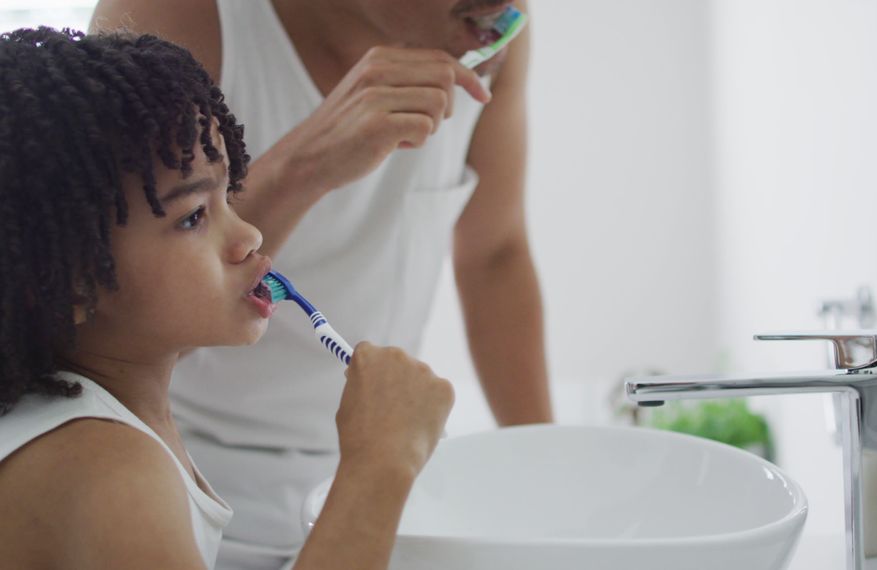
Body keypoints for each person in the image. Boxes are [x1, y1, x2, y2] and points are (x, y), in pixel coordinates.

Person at [89, 1, 553, 566]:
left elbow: (494, 256)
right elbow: (109, 306)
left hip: (387, 470)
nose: (509, 5)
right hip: (199, 483)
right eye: (197, 215)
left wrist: (544, 474)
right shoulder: (167, 19)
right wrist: (304, 165)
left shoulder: (490, 32)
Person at [0, 27, 452, 570]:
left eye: (228, 194)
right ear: (70, 280)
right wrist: (380, 463)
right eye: (193, 216)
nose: (249, 237)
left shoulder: (99, 428)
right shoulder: (109, 469)